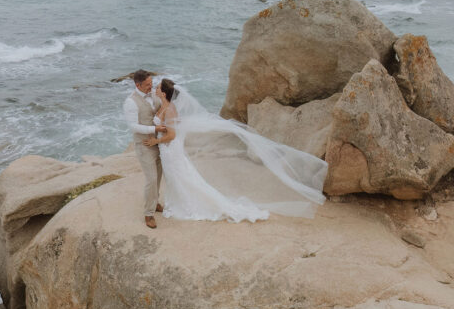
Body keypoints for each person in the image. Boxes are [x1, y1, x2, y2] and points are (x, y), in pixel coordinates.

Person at [129, 79, 327, 224]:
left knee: (181, 177)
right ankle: (173, 202)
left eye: (157, 87)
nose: (154, 88)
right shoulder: (164, 106)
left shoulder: (170, 109)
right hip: (168, 151)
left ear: (164, 93)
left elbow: (172, 134)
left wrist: (156, 139)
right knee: (177, 177)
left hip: (170, 149)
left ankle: (187, 204)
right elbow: (172, 127)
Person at [123, 70, 168, 229]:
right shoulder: (131, 102)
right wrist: (154, 130)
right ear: (138, 85)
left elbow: (161, 109)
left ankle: (154, 202)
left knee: (159, 175)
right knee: (151, 179)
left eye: (151, 83)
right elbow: (133, 126)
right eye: (148, 85)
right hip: (144, 145)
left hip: (159, 143)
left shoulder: (153, 94)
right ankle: (148, 214)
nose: (151, 86)